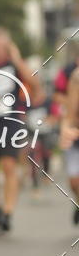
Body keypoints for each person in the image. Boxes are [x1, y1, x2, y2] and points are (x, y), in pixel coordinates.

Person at [0, 27, 43, 234]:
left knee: (9, 166)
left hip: (10, 121)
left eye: (3, 46)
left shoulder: (14, 65)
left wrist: (17, 59)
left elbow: (35, 85)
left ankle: (7, 213)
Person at [60, 67, 79, 225]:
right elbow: (69, 115)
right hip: (76, 136)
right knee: (74, 181)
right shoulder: (76, 78)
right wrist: (65, 130)